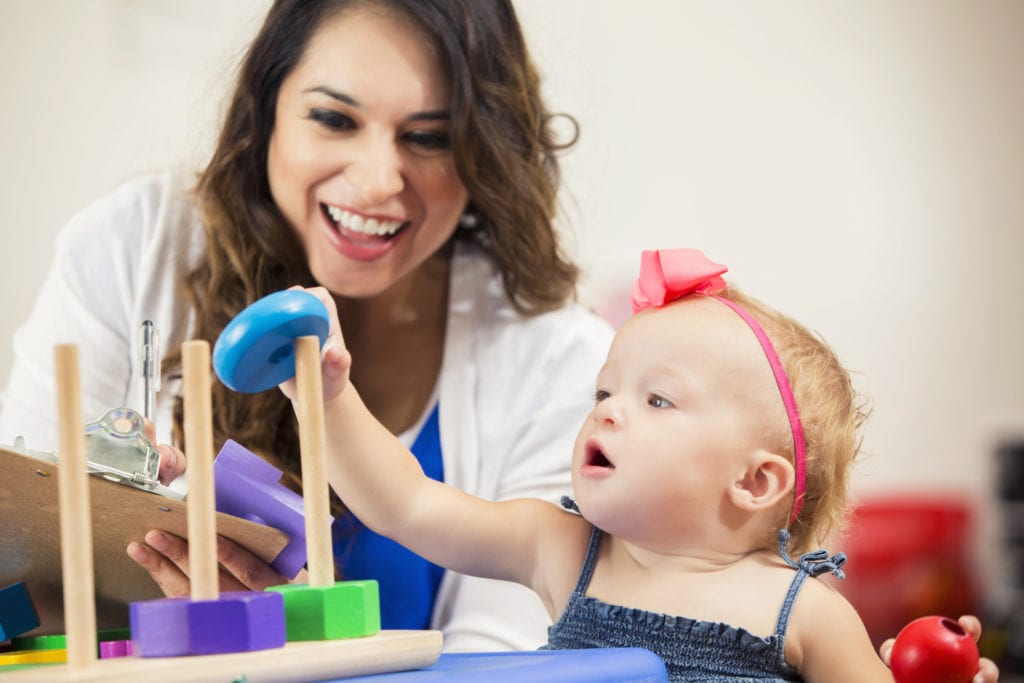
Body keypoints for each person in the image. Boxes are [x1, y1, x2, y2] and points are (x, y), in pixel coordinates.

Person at [0, 0, 614, 651]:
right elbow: (20, 583)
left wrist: (291, 645)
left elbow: (508, 654)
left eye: (429, 137)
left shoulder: (560, 358)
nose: (378, 183)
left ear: (485, 151)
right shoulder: (137, 246)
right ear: (265, 112)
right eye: (332, 118)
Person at [287, 248, 1001, 681]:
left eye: (657, 398)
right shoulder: (563, 549)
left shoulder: (809, 615)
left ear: (754, 481)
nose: (607, 409)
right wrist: (329, 398)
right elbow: (407, 503)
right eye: (604, 389)